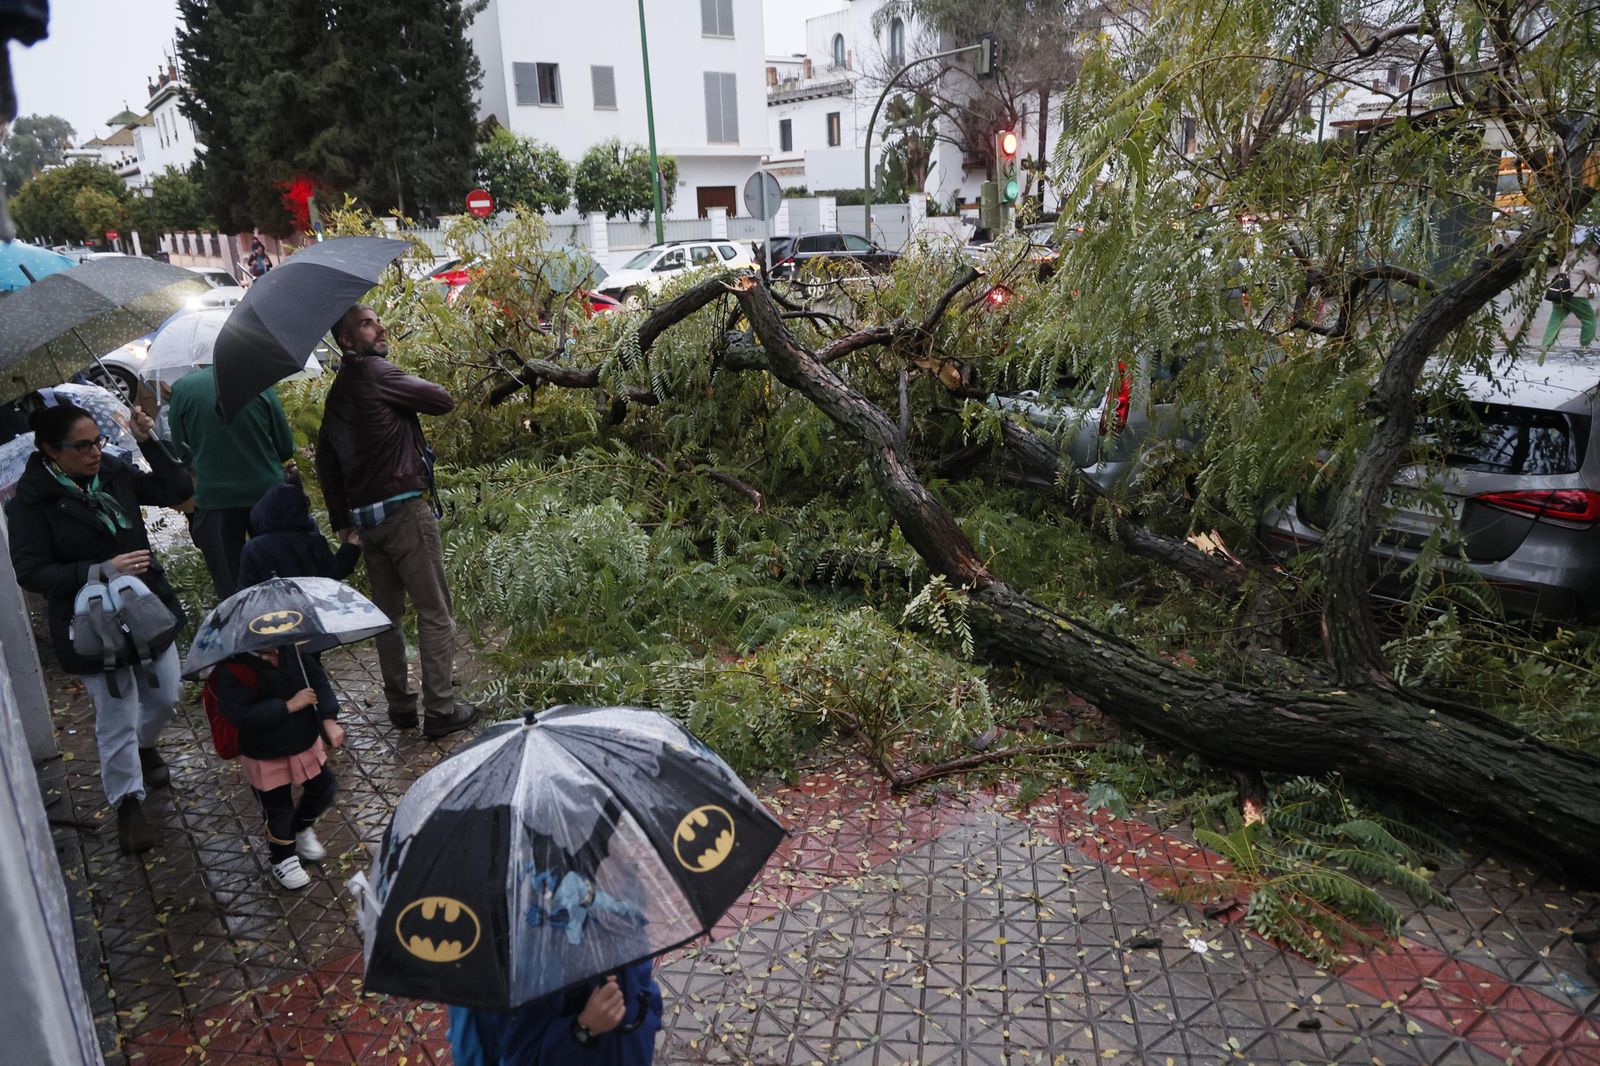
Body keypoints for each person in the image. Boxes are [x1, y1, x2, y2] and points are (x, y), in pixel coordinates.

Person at [5, 402, 192, 853]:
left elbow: (176, 488)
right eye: (82, 446)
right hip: (89, 623)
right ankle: (128, 802)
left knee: (167, 695)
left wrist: (149, 441)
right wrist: (99, 569)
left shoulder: (112, 472)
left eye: (97, 442)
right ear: (51, 449)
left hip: (145, 608)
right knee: (115, 714)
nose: (94, 452)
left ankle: (145, 746)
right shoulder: (31, 501)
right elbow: (31, 571)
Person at [316, 305, 479, 740]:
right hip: (406, 514)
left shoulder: (338, 392)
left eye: (376, 320)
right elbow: (442, 400)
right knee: (435, 613)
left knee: (388, 617)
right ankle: (441, 710)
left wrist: (341, 523)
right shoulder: (374, 372)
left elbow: (326, 462)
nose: (380, 326)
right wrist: (399, 384)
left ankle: (400, 708)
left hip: (368, 526)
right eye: (368, 323)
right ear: (348, 340)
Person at [210, 644, 343, 890]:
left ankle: (300, 827)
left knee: (324, 787)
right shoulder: (234, 669)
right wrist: (288, 706)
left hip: (303, 741)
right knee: (277, 808)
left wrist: (329, 718)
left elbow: (319, 683)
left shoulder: (293, 650)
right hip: (264, 751)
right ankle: (283, 857)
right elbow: (240, 715)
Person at [167, 366, 296, 600]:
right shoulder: (258, 383)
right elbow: (286, 447)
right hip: (268, 495)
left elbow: (180, 452)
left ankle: (247, 629)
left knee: (232, 587)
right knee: (285, 576)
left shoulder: (183, 390)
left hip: (215, 500)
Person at [237, 476, 361, 715]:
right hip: (308, 623)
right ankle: (324, 714)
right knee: (311, 667)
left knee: (287, 671)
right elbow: (333, 573)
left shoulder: (254, 548)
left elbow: (245, 591)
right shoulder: (313, 541)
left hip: (272, 625)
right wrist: (351, 547)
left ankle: (298, 711)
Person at [447, 961, 663, 1066]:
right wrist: (582, 1030)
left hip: (629, 1050)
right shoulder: (517, 963)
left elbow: (640, 972)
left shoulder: (615, 891)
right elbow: (520, 1057)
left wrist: (649, 1013)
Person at [1543, 257, 1596, 348]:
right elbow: (1594, 276)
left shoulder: (1569, 255)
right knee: (1589, 319)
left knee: (1556, 318)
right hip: (1576, 294)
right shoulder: (1590, 258)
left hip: (1561, 292)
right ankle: (1585, 345)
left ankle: (1547, 345)